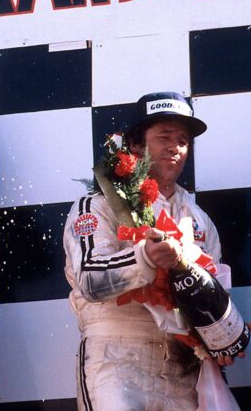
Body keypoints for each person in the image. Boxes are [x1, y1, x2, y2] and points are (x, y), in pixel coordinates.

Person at [63, 91, 240, 410]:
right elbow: (90, 281)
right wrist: (144, 258)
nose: (176, 147)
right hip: (116, 359)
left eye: (184, 140)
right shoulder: (99, 203)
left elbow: (214, 296)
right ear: (135, 145)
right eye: (164, 136)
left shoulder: (199, 220)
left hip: (185, 370)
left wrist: (222, 337)